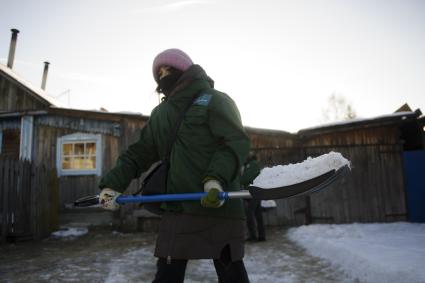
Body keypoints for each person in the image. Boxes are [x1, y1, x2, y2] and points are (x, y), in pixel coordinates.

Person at [98, 48, 251, 283]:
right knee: (167, 277)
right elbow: (138, 154)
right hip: (178, 208)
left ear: (186, 70)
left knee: (232, 276)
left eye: (169, 68)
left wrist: (215, 180)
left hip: (218, 204)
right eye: (159, 72)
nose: (164, 73)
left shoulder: (215, 100)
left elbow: (234, 143)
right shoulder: (160, 114)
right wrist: (112, 185)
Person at [241, 153, 266, 242]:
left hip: (253, 192)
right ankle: (261, 236)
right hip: (251, 192)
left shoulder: (252, 164)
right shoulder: (248, 165)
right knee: (258, 214)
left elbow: (245, 178)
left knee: (249, 213)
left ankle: (253, 236)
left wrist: (240, 180)